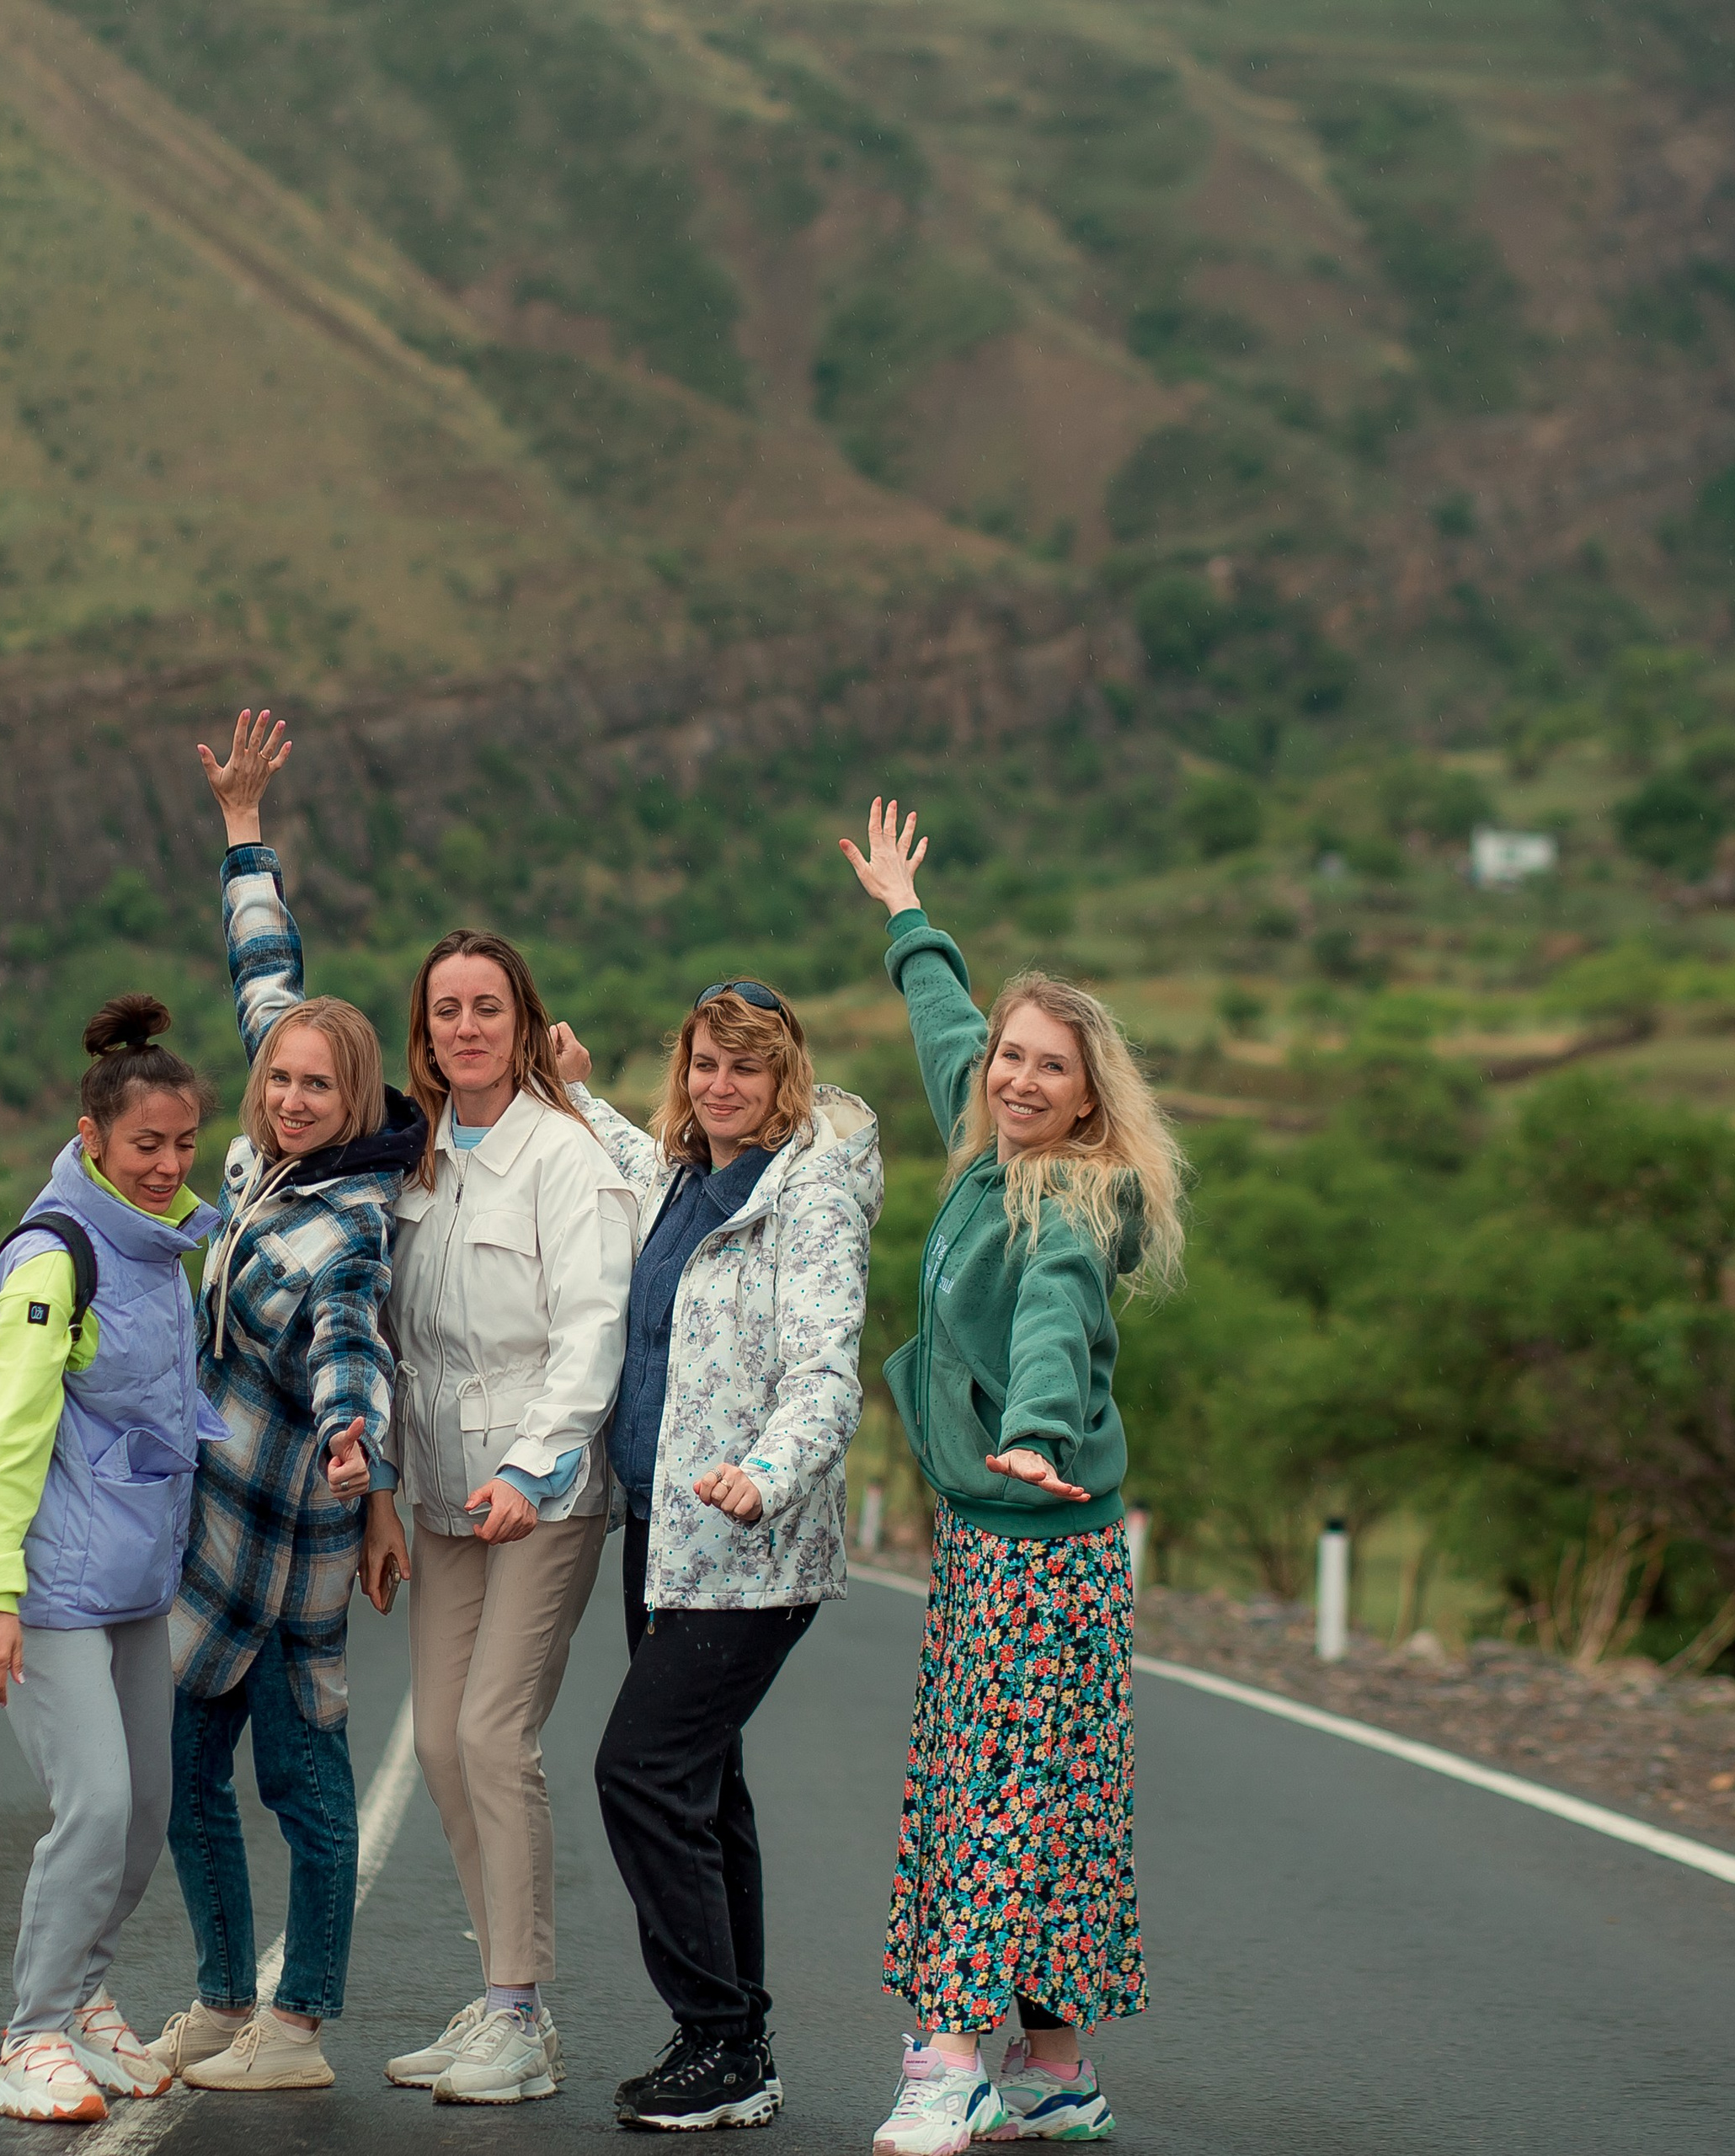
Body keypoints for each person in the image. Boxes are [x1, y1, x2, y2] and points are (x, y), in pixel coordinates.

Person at [841, 798, 1186, 2155]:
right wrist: (907, 919)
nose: (1018, 1078)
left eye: (1049, 1066)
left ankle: (946, 2062)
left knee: (988, 1800)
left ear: (1092, 1092)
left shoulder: (1073, 1198)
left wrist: (1037, 1425)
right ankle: (1055, 2073)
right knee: (1048, 1802)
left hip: (1042, 1544)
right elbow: (945, 1028)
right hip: (1005, 1543)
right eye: (1012, 1058)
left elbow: (1056, 1323)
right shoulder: (990, 1147)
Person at [147, 712, 428, 2093]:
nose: (297, 1092)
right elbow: (269, 971)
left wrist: (357, 1448)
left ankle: (300, 2024)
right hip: (214, 1537)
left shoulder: (350, 1222)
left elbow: (348, 1348)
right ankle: (216, 1996)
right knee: (188, 1777)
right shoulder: (265, 1153)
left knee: (302, 1788)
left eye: (321, 1082)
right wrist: (243, 831)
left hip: (296, 1547)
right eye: (281, 1078)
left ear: (356, 1093)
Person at [555, 981, 880, 2132]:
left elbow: (826, 1375)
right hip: (663, 1531)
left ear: (784, 1075)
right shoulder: (686, 1181)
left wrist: (768, 1474)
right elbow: (633, 1161)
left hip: (751, 1542)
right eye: (704, 1064)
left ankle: (717, 2036)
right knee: (700, 1784)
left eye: (745, 1067)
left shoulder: (809, 1200)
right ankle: (738, 2046)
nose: (721, 1085)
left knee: (639, 1772)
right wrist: (574, 1085)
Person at [374, 926, 636, 2105]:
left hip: (543, 1489)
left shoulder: (565, 1155)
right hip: (436, 1486)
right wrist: (384, 1495)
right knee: (436, 1741)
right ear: (422, 1031)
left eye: (488, 1007)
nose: (466, 1028)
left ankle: (523, 2017)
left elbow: (593, 1328)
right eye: (446, 1010)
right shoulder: (410, 1157)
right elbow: (387, 1340)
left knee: (492, 1733)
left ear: (524, 1024)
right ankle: (496, 2000)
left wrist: (534, 1470)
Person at [0, 996, 226, 2125]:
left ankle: (85, 1998)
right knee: (97, 1804)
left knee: (148, 1804)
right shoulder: (52, 1257)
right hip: (53, 1589)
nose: (167, 1165)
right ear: (92, 1139)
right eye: (144, 1147)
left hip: (134, 1585)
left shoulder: (162, 1255)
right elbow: (9, 1433)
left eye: (180, 1145)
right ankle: (32, 2034)